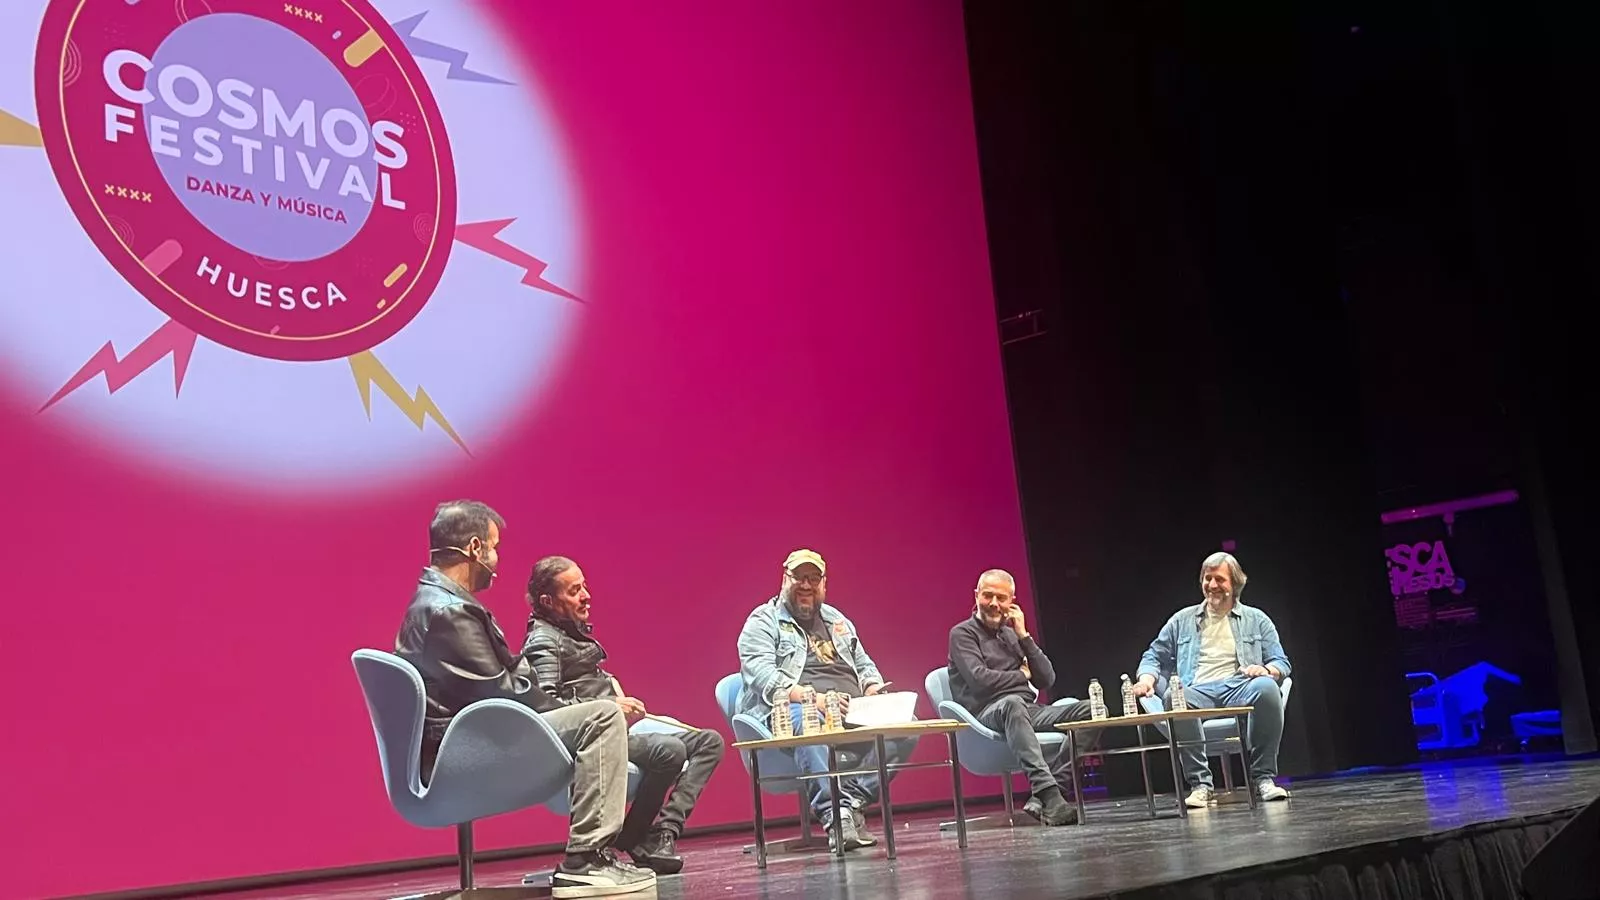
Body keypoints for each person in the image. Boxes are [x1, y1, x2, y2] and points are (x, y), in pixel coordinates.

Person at [393, 501, 654, 898]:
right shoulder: (449, 611)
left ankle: (592, 855)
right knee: (601, 717)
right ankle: (585, 861)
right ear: (475, 548)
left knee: (597, 715)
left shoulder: (436, 600)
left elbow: (505, 680)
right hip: (468, 749)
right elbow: (506, 692)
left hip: (469, 737)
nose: (497, 561)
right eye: (494, 548)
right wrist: (571, 710)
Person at [521, 555, 727, 875]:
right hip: (589, 741)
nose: (586, 595)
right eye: (575, 590)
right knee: (669, 750)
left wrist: (613, 694)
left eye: (584, 586)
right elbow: (545, 709)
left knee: (709, 742)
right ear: (548, 601)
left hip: (613, 729)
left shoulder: (568, 632)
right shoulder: (544, 641)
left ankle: (661, 834)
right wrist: (610, 707)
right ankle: (636, 838)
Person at [735, 549, 913, 852]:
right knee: (809, 719)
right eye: (799, 577)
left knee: (906, 724)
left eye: (813, 578)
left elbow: (864, 664)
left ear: (824, 583)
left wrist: (872, 688)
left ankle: (851, 801)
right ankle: (835, 818)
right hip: (790, 711)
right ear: (784, 579)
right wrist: (812, 698)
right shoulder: (763, 621)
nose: (806, 584)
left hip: (849, 709)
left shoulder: (836, 620)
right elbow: (763, 676)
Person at [1133, 551, 1292, 808]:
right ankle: (1200, 786)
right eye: (1208, 579)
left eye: (1220, 579)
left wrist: (1267, 671)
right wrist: (1147, 678)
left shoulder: (1256, 619)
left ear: (1235, 584)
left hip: (1239, 686)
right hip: (1198, 689)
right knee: (1175, 697)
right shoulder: (1182, 620)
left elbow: (1281, 662)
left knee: (1267, 687)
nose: (1212, 585)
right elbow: (1154, 654)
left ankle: (1263, 779)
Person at [947, 569, 1091, 825]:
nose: (994, 604)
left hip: (1027, 710)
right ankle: (1051, 797)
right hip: (987, 713)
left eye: (1001, 598)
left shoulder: (1011, 634)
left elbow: (1046, 680)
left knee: (1091, 710)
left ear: (1012, 601)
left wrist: (1024, 636)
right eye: (988, 596)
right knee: (1012, 704)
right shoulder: (962, 634)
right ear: (976, 595)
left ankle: (1050, 792)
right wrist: (1022, 676)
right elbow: (980, 682)